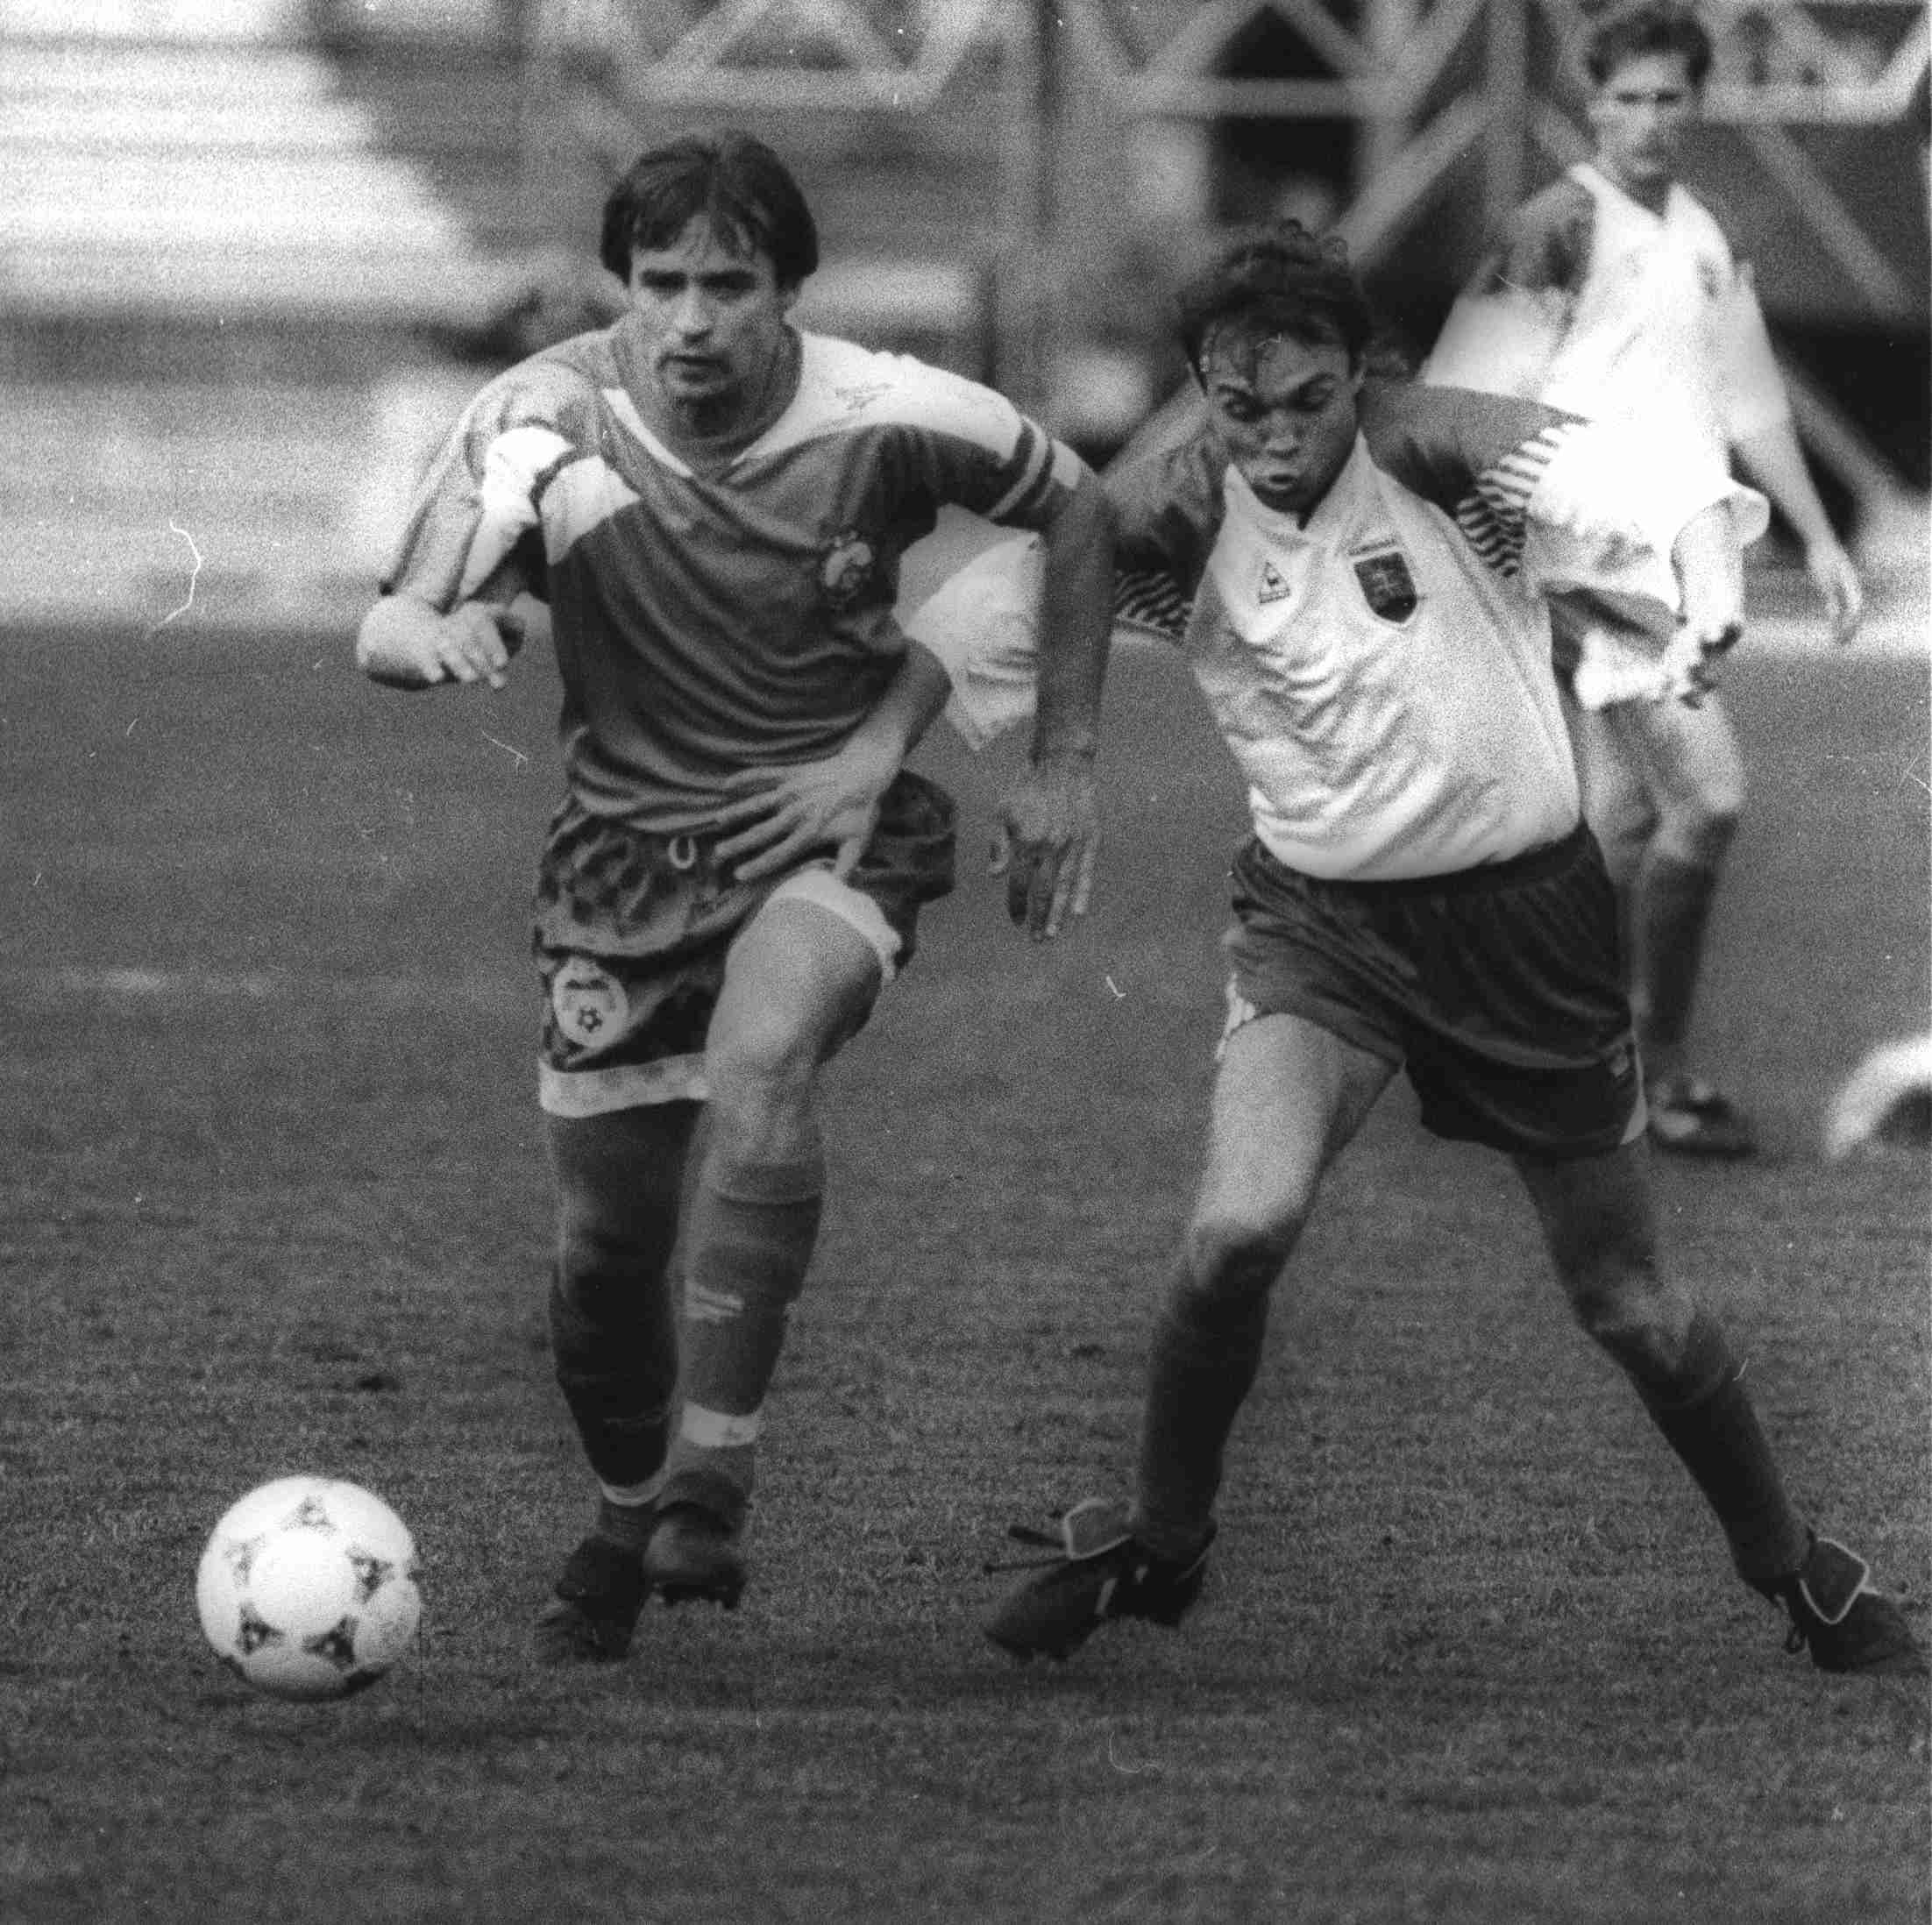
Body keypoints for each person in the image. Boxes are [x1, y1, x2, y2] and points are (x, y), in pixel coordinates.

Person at [978, 224, 1922, 1677]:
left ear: (1361, 374)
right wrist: (1057, 764)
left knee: (1631, 1306)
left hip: (1525, 934)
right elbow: (1029, 587)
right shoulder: (1164, 506)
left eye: (1309, 400)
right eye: (1242, 407)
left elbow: (1663, 497)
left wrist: (1714, 592)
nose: (1277, 437)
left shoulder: (1440, 450)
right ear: (1203, 393)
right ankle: (1164, 1542)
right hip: (1321, 934)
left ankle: (1797, 1568)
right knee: (1234, 1239)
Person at [357, 129, 1112, 1664]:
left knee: (767, 1060)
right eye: (659, 283)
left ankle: (715, 1472)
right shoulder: (542, 416)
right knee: (600, 1261)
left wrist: (1063, 765)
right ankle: (628, 1513)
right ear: (620, 287)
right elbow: (392, 616)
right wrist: (435, 639)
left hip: (825, 838)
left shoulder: (890, 413)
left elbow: (1082, 506)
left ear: (788, 291)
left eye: (728, 285)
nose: (690, 320)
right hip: (622, 869)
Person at [1423, 0, 1865, 1158]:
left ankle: (1545, 1046)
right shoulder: (1554, 226)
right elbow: (1459, 401)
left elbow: (1751, 399)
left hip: (1680, 568)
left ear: (1697, 105)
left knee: (1619, 822)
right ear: (1592, 104)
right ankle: (1654, 1073)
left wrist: (1819, 538)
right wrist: (1488, 558)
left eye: (1670, 97)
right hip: (1586, 568)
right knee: (1709, 799)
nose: (1649, 119)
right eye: (1627, 98)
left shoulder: (1708, 235)